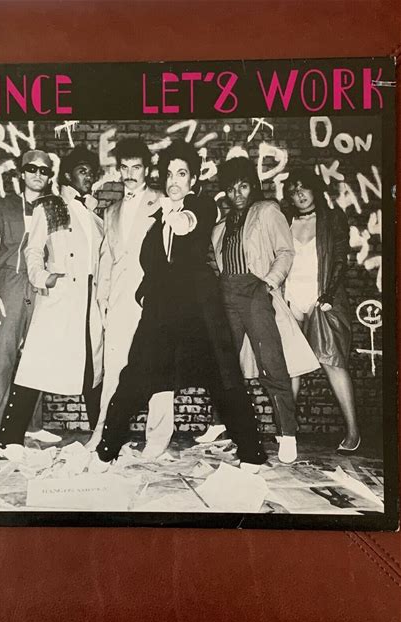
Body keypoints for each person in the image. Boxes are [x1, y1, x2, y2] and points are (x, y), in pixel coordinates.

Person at [89, 140, 267, 474]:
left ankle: (252, 454)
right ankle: (105, 451)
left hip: (200, 309)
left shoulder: (201, 206)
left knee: (224, 378)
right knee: (134, 375)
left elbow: (187, 223)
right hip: (161, 311)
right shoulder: (157, 219)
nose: (174, 181)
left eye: (182, 174)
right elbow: (151, 263)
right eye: (169, 174)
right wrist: (145, 292)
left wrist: (173, 214)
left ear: (193, 180)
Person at [208, 157, 319, 464]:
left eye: (243, 186)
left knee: (271, 362)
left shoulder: (267, 210)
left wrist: (268, 283)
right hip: (227, 292)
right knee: (224, 362)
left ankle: (287, 433)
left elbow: (285, 251)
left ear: (253, 186)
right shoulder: (222, 225)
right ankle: (221, 423)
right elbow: (218, 261)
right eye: (232, 189)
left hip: (255, 290)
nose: (237, 194)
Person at [0, 146, 104, 458]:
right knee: (35, 365)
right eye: (82, 170)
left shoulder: (94, 216)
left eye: (91, 172)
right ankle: (8, 440)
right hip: (61, 296)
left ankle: (101, 439)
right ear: (68, 175)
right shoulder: (51, 206)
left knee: (93, 369)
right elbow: (32, 250)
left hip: (89, 299)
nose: (89, 176)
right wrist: (44, 278)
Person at [88, 138, 174, 459]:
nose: (129, 174)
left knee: (159, 371)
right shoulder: (111, 211)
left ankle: (158, 440)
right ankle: (103, 433)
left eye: (136, 167)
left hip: (155, 301)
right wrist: (103, 301)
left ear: (147, 169)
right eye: (124, 167)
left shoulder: (162, 202)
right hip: (119, 303)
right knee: (114, 370)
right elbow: (107, 260)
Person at [0, 149, 61, 458]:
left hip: (39, 286)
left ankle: (32, 426)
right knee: (1, 358)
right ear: (22, 173)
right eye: (32, 168)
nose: (38, 174)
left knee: (36, 359)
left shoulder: (55, 209)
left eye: (44, 170)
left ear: (50, 176)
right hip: (9, 284)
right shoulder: (3, 207)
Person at [283, 168, 360, 453]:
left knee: (333, 362)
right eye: (293, 190)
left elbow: (340, 258)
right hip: (291, 297)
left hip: (321, 297)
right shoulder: (285, 219)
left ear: (315, 189)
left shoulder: (331, 218)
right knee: (291, 365)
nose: (299, 194)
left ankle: (353, 432)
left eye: (304, 187)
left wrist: (328, 293)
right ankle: (287, 432)